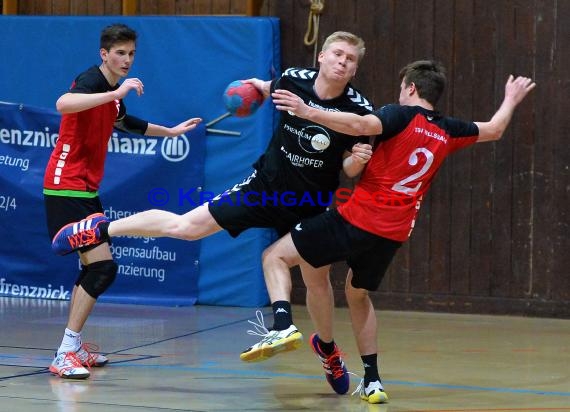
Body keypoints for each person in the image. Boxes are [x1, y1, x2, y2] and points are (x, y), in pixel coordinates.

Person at [51, 31, 375, 393]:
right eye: (337, 54)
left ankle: (327, 350)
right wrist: (251, 88)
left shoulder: (359, 109)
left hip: (310, 203)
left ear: (355, 68)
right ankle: (101, 230)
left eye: (350, 59)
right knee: (188, 227)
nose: (342, 62)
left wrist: (355, 162)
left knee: (317, 280)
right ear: (322, 57)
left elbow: (348, 167)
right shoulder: (292, 80)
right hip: (264, 188)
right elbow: (264, 87)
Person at [245, 60, 536, 404]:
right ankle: (372, 381)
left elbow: (358, 123)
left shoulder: (398, 115)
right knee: (357, 295)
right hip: (393, 233)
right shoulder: (449, 129)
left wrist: (308, 111)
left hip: (357, 219)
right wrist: (511, 99)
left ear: (411, 88)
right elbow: (495, 129)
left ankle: (282, 323)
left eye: (402, 88)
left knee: (274, 256)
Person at [44, 23, 202, 380]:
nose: (127, 60)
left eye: (131, 54)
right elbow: (63, 104)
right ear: (104, 54)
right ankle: (66, 351)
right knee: (102, 268)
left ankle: (73, 345)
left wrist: (171, 131)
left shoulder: (112, 93)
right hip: (64, 185)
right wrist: (116, 92)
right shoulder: (91, 81)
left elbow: (127, 123)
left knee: (96, 269)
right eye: (120, 53)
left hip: (85, 188)